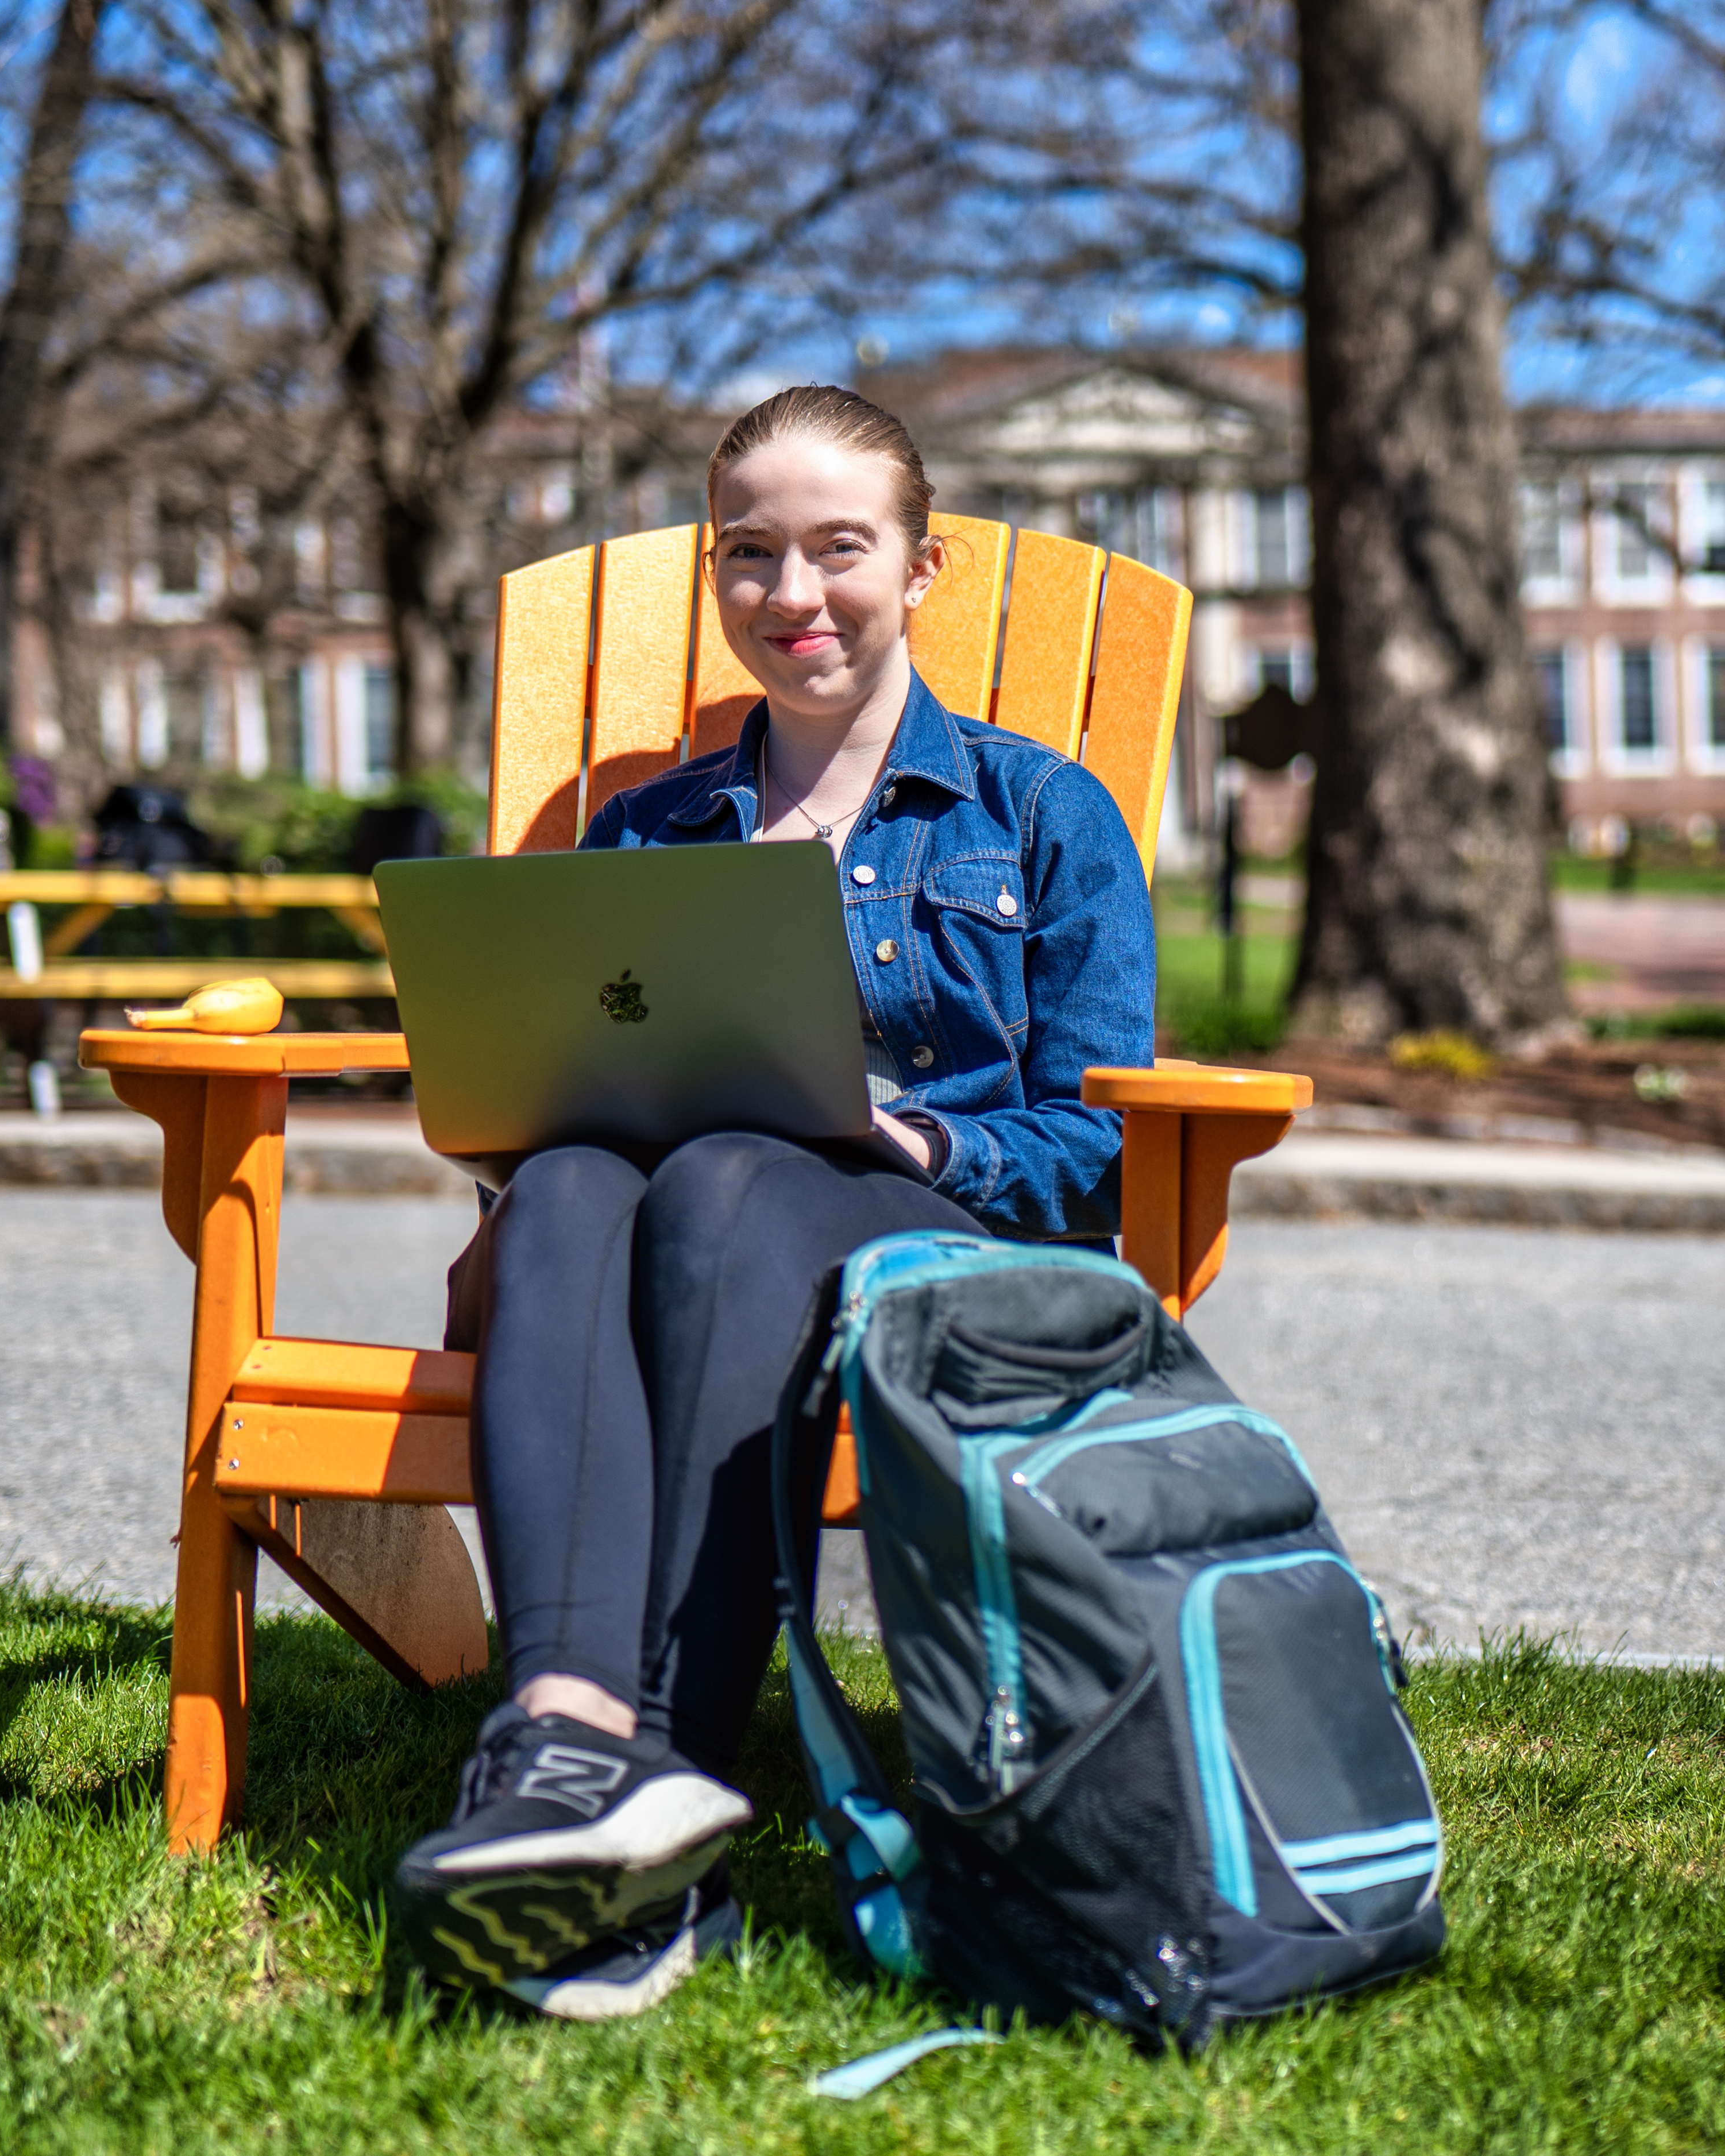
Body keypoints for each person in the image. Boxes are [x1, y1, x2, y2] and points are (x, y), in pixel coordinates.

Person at [387, 386, 1156, 2022]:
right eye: (749, 553)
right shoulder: (646, 832)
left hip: (934, 1255)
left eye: (838, 549)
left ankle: (662, 1787)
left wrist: (917, 1142)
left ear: (920, 568)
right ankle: (566, 1739)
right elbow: (552, 1086)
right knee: (574, 1172)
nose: (791, 593)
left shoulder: (1040, 814)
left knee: (730, 1174)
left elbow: (1099, 1141)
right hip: (673, 1241)